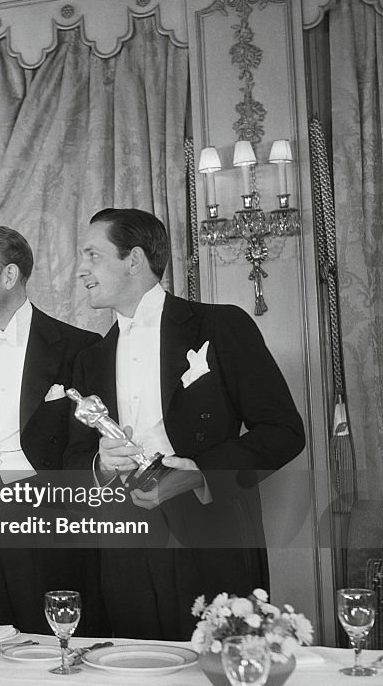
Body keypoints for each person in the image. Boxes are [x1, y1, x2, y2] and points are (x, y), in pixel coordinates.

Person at [66, 208, 305, 640]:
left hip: (213, 537)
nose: (81, 269)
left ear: (134, 259)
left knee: (221, 679)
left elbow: (283, 431)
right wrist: (101, 465)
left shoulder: (220, 324)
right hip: (124, 546)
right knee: (134, 675)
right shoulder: (90, 359)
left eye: (92, 255)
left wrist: (198, 476)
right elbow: (74, 456)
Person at [0, 225, 107, 635]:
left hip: (48, 510)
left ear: (9, 276)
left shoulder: (78, 346)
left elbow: (87, 446)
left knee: (55, 637)